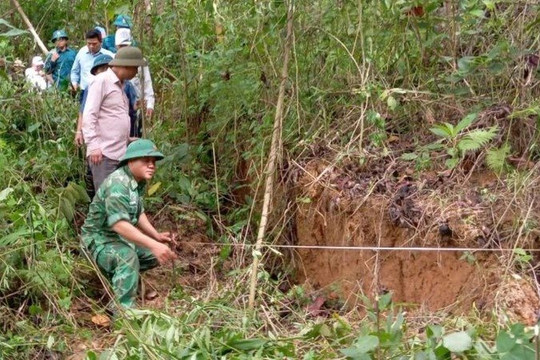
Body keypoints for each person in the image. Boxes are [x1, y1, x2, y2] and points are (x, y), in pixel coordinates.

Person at [81, 139, 177, 309]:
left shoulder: (135, 182)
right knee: (128, 257)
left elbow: (137, 212)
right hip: (99, 241)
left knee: (155, 254)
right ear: (131, 161)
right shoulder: (118, 183)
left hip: (119, 239)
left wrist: (156, 236)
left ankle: (124, 280)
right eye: (146, 161)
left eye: (153, 162)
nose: (152, 165)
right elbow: (119, 224)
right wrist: (153, 244)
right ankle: (122, 311)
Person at [82, 46, 147, 191]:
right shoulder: (102, 81)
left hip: (118, 153)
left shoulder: (120, 86)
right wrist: (93, 146)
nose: (136, 72)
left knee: (118, 198)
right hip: (104, 154)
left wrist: (127, 139)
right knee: (107, 197)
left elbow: (111, 117)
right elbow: (89, 114)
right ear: (125, 66)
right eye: (135, 68)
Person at [115, 28, 155, 123]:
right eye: (121, 46)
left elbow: (147, 83)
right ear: (116, 46)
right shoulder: (113, 62)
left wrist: (150, 105)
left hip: (137, 108)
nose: (124, 49)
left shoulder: (140, 61)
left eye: (126, 46)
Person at [70, 29, 115, 103]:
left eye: (94, 44)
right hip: (84, 92)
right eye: (89, 43)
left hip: (103, 92)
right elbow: (75, 71)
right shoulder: (81, 53)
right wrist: (74, 83)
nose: (91, 46)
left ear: (101, 42)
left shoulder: (109, 56)